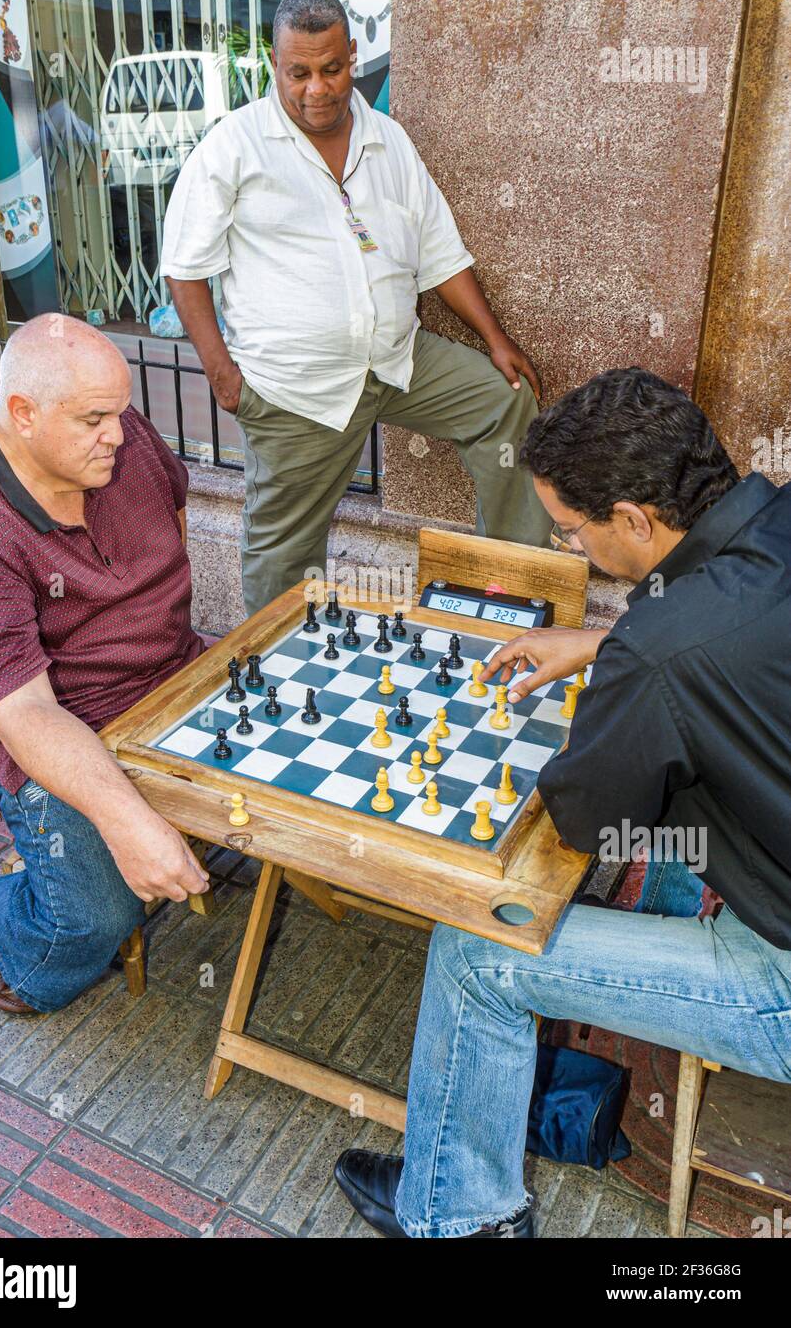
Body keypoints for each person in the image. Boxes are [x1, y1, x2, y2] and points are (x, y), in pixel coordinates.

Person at [333, 367, 791, 1237]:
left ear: (634, 520)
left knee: (476, 952)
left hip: (782, 973)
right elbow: (743, 629)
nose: (568, 544)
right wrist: (604, 642)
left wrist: (625, 679)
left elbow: (581, 822)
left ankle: (458, 1214)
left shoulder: (660, 651)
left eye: (573, 531)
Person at [161, 0, 550, 616]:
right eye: (299, 73)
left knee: (504, 403)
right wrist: (222, 374)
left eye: (331, 69)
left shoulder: (387, 139)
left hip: (397, 360)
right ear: (274, 66)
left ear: (354, 56)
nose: (316, 88)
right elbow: (185, 269)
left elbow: (440, 255)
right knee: (285, 551)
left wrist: (496, 339)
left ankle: (506, 599)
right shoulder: (234, 147)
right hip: (295, 387)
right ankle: (274, 674)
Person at [0, 316, 210, 1015]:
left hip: (174, 670)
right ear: (23, 414)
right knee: (99, 917)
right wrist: (132, 821)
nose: (119, 433)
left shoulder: (120, 432)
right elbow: (24, 711)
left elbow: (170, 526)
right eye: (93, 419)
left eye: (119, 410)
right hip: (47, 726)